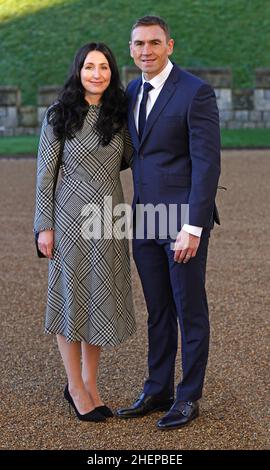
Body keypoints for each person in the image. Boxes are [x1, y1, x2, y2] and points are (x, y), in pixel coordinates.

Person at [116, 16, 221, 430]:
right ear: (131, 49)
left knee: (189, 309)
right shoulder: (131, 91)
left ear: (170, 46)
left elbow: (207, 163)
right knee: (158, 311)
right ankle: (157, 389)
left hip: (181, 222)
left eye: (154, 43)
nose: (147, 50)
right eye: (139, 43)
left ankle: (188, 396)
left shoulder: (195, 92)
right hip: (144, 220)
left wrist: (193, 226)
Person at [34, 42, 136, 422]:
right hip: (70, 221)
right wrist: (44, 226)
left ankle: (91, 383)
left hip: (110, 218)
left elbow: (131, 157)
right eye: (90, 66)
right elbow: (46, 175)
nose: (97, 73)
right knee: (71, 298)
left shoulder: (118, 116)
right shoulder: (59, 115)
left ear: (112, 73)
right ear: (78, 71)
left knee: (101, 299)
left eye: (104, 67)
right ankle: (75, 386)